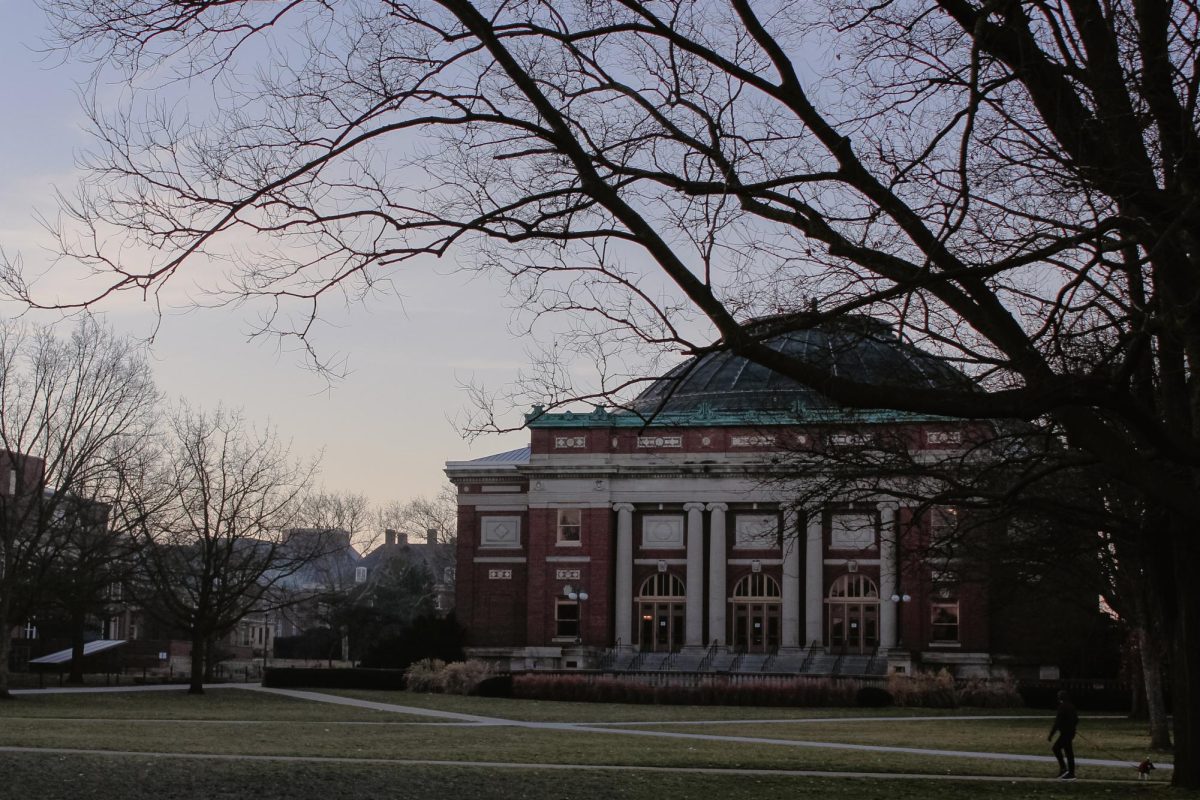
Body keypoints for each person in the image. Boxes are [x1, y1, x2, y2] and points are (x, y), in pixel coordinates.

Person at [1048, 689, 1079, 780]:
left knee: (1056, 748)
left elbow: (1057, 722)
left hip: (1065, 733)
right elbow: (1076, 719)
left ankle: (1065, 770)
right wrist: (1072, 727)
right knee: (1068, 751)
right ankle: (1069, 771)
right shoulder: (1071, 706)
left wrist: (1051, 734)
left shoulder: (1062, 707)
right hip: (1070, 733)